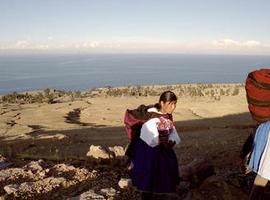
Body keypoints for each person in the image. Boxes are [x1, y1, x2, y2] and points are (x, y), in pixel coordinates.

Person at [130, 91, 181, 200]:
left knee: (161, 176)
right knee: (149, 176)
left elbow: (173, 133)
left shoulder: (166, 116)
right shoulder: (151, 117)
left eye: (175, 104)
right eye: (170, 104)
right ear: (162, 103)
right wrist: (163, 142)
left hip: (162, 150)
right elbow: (150, 138)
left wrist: (172, 141)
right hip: (149, 153)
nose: (173, 107)